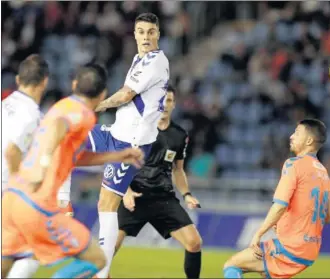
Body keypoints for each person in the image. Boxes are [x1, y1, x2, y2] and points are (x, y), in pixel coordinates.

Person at [2, 64, 145, 279]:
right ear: (103, 93)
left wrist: (117, 156)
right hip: (38, 204)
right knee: (97, 259)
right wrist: (44, 162)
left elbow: (73, 156)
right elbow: (59, 126)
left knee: (7, 263)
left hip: (13, 197)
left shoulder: (61, 105)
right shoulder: (83, 114)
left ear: (74, 84)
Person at [85, 13, 169, 278]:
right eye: (141, 32)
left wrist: (95, 106)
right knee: (71, 136)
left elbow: (126, 94)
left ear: (158, 34)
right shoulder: (138, 59)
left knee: (106, 204)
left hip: (130, 143)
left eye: (151, 32)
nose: (145, 37)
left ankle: (102, 272)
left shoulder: (156, 61)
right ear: (134, 34)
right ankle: (60, 200)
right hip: (116, 131)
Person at [223, 119, 330, 279]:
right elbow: (328, 217)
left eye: (297, 133)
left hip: (291, 247)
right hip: (310, 249)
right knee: (265, 273)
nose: (291, 136)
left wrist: (258, 233)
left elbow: (280, 205)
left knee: (232, 265)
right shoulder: (324, 173)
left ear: (309, 140)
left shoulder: (293, 165)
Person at [113, 86, 202, 278]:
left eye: (169, 100)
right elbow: (120, 160)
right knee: (109, 247)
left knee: (194, 243)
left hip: (163, 199)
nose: (165, 105)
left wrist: (187, 195)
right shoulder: (139, 128)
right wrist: (126, 191)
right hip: (135, 196)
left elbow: (178, 170)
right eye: (161, 100)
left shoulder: (179, 135)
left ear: (174, 104)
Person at [1, 54, 72, 278]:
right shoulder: (33, 116)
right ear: (45, 81)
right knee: (32, 251)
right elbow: (12, 150)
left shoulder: (4, 105)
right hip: (9, 190)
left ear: (18, 79)